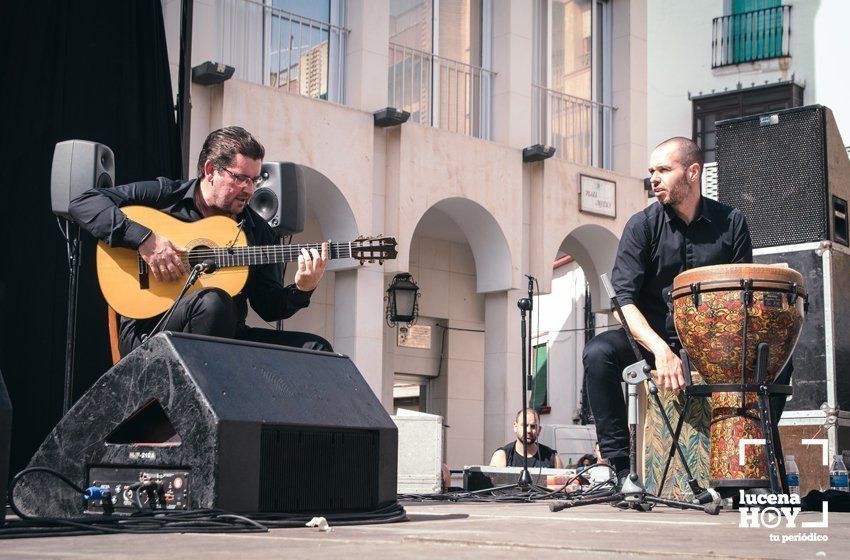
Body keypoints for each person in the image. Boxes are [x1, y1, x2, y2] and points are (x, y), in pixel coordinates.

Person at [582, 136, 761, 480]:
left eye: (664, 169)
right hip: (653, 341)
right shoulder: (642, 225)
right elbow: (622, 301)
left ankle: (750, 464)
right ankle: (619, 468)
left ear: (693, 172)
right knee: (598, 352)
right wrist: (661, 350)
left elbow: (743, 295)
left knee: (776, 361)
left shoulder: (732, 222)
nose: (654, 178)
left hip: (713, 345)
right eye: (652, 171)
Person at [69, 126, 332, 356]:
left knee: (318, 350)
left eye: (254, 180)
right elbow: (84, 203)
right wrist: (144, 239)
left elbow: (268, 306)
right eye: (241, 178)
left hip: (227, 337)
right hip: (151, 331)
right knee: (214, 303)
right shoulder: (166, 196)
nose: (250, 189)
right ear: (210, 170)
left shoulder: (257, 230)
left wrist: (302, 289)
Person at [489, 408, 564, 469]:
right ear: (515, 427)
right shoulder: (502, 456)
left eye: (533, 426)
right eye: (524, 425)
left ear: (539, 430)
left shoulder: (552, 458)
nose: (528, 430)